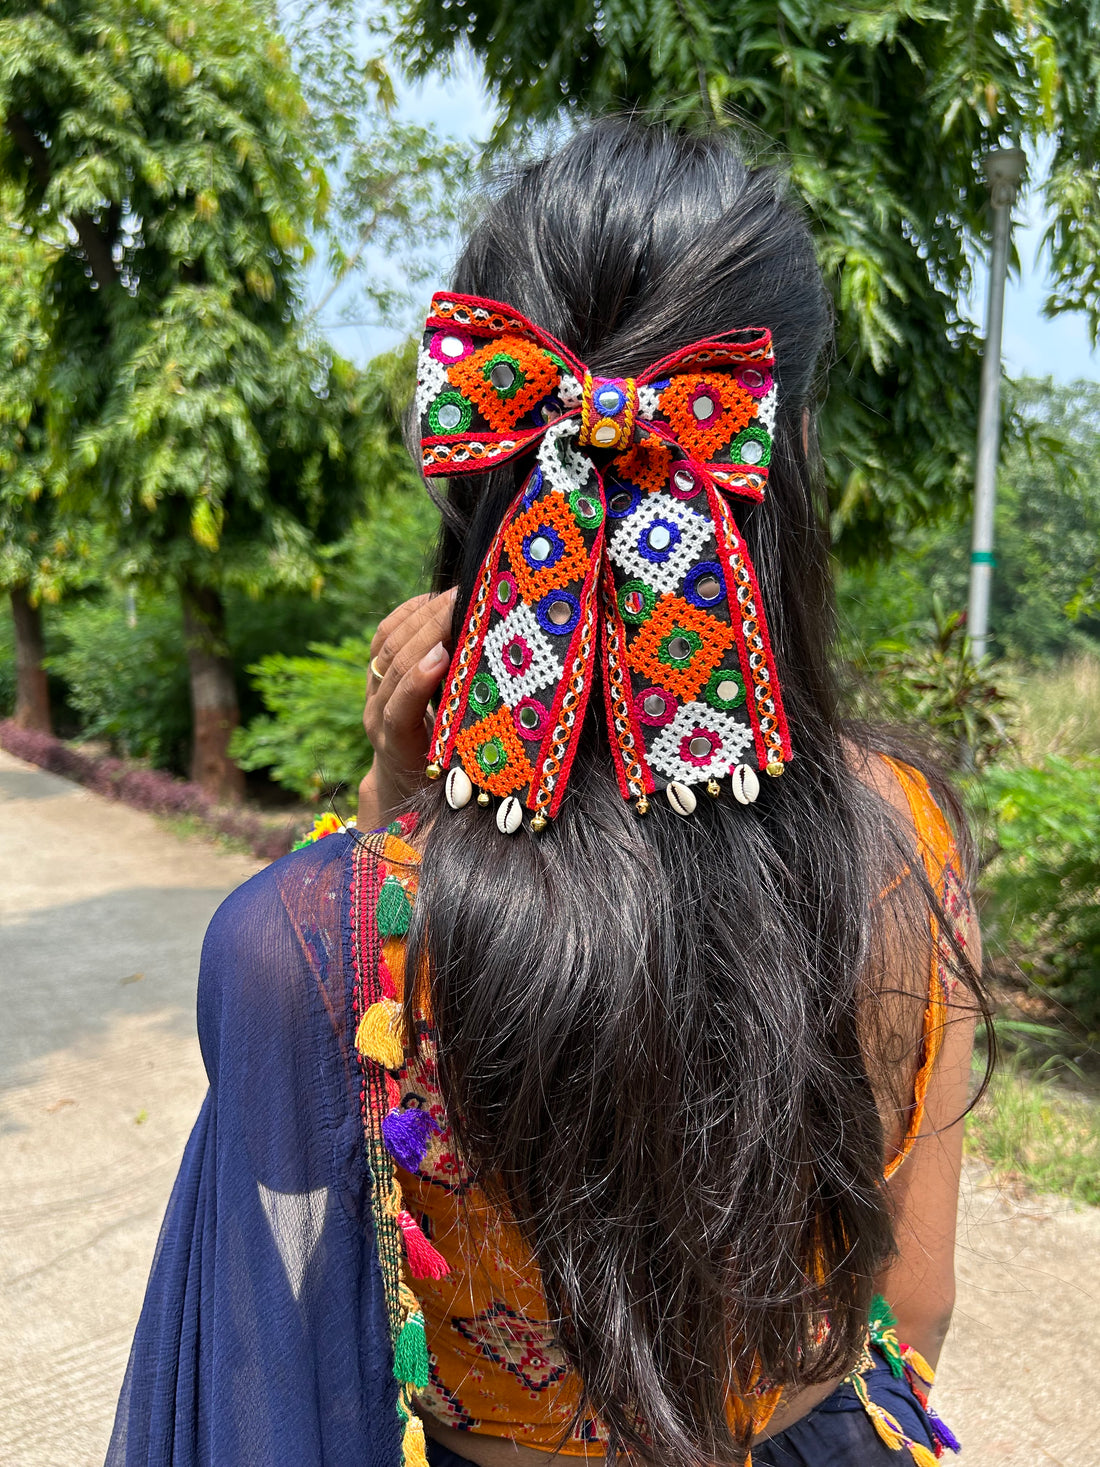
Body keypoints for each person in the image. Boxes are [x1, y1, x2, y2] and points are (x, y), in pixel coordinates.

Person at [107, 119, 986, 1467]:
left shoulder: (300, 942)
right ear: (788, 448)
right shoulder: (909, 847)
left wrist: (395, 803)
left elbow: (287, 1327)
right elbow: (911, 1313)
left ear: (477, 453)